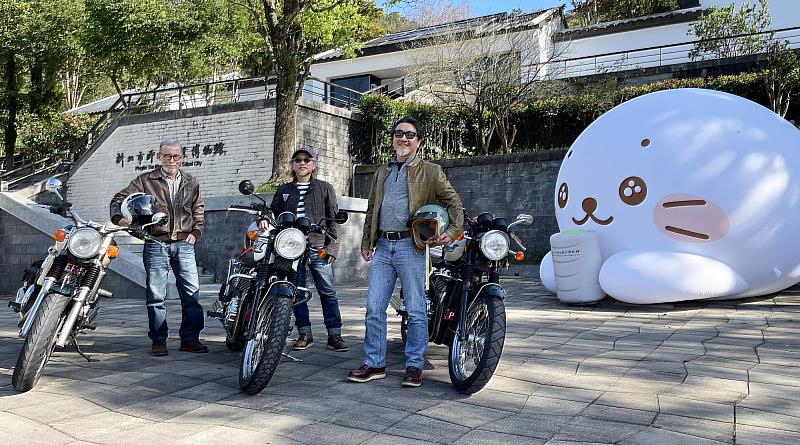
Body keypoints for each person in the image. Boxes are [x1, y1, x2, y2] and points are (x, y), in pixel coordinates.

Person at [347, 116, 463, 387]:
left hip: (412, 247)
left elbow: (453, 202)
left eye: (410, 135)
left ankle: (414, 365)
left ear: (418, 142)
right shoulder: (381, 172)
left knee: (415, 309)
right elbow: (372, 209)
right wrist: (367, 243)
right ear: (392, 139)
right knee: (374, 308)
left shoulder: (431, 171)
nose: (403, 138)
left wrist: (454, 230)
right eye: (399, 133)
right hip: (383, 247)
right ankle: (374, 363)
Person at [110, 138, 208, 357]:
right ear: (159, 157)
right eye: (167, 156)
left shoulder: (191, 181)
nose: (172, 160)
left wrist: (196, 232)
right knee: (156, 294)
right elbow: (119, 199)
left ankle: (190, 339)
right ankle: (159, 339)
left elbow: (198, 209)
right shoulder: (145, 180)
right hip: (156, 242)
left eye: (176, 156)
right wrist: (122, 220)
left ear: (182, 158)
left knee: (191, 293)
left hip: (184, 243)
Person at [261, 148, 347, 352]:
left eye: (307, 160)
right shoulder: (284, 190)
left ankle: (334, 334)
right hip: (290, 249)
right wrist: (264, 218)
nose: (302, 163)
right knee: (295, 292)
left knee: (327, 292)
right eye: (298, 160)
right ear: (292, 165)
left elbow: (334, 219)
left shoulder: (325, 188)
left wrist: (332, 247)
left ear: (313, 165)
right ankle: (304, 333)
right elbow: (272, 212)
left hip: (318, 248)